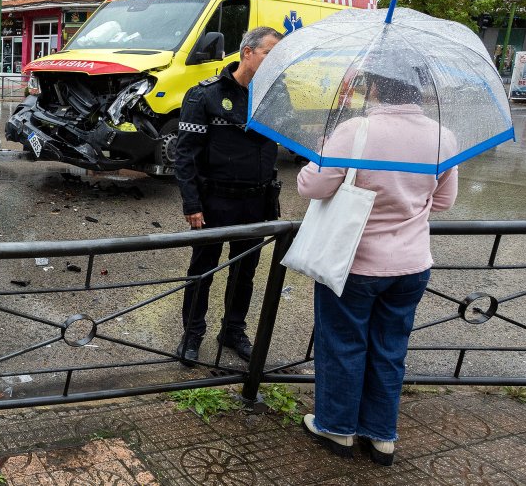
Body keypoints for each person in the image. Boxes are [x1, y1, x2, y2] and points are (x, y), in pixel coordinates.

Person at [297, 73, 458, 466]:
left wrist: (317, 157)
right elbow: (444, 202)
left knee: (343, 344)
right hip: (412, 265)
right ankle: (381, 435)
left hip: (355, 263)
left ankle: (337, 427)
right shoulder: (444, 136)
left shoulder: (356, 130)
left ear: (375, 88)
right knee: (390, 349)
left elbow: (313, 188)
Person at [173, 26, 283, 365]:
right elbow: (185, 154)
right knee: (202, 271)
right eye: (269, 53)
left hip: (256, 201)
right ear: (247, 53)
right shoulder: (204, 95)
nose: (274, 61)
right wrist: (191, 203)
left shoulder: (275, 95)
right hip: (214, 202)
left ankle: (233, 330)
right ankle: (192, 333)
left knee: (245, 273)